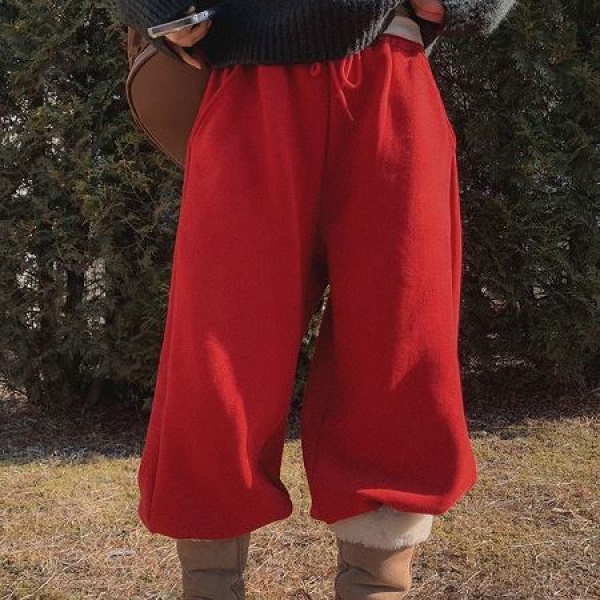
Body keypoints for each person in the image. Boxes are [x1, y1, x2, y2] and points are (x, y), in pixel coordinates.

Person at [115, 1, 518, 598]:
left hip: (391, 71)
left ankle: (376, 585)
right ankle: (210, 584)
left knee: (400, 339)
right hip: (248, 79)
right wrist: (163, 8)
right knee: (217, 352)